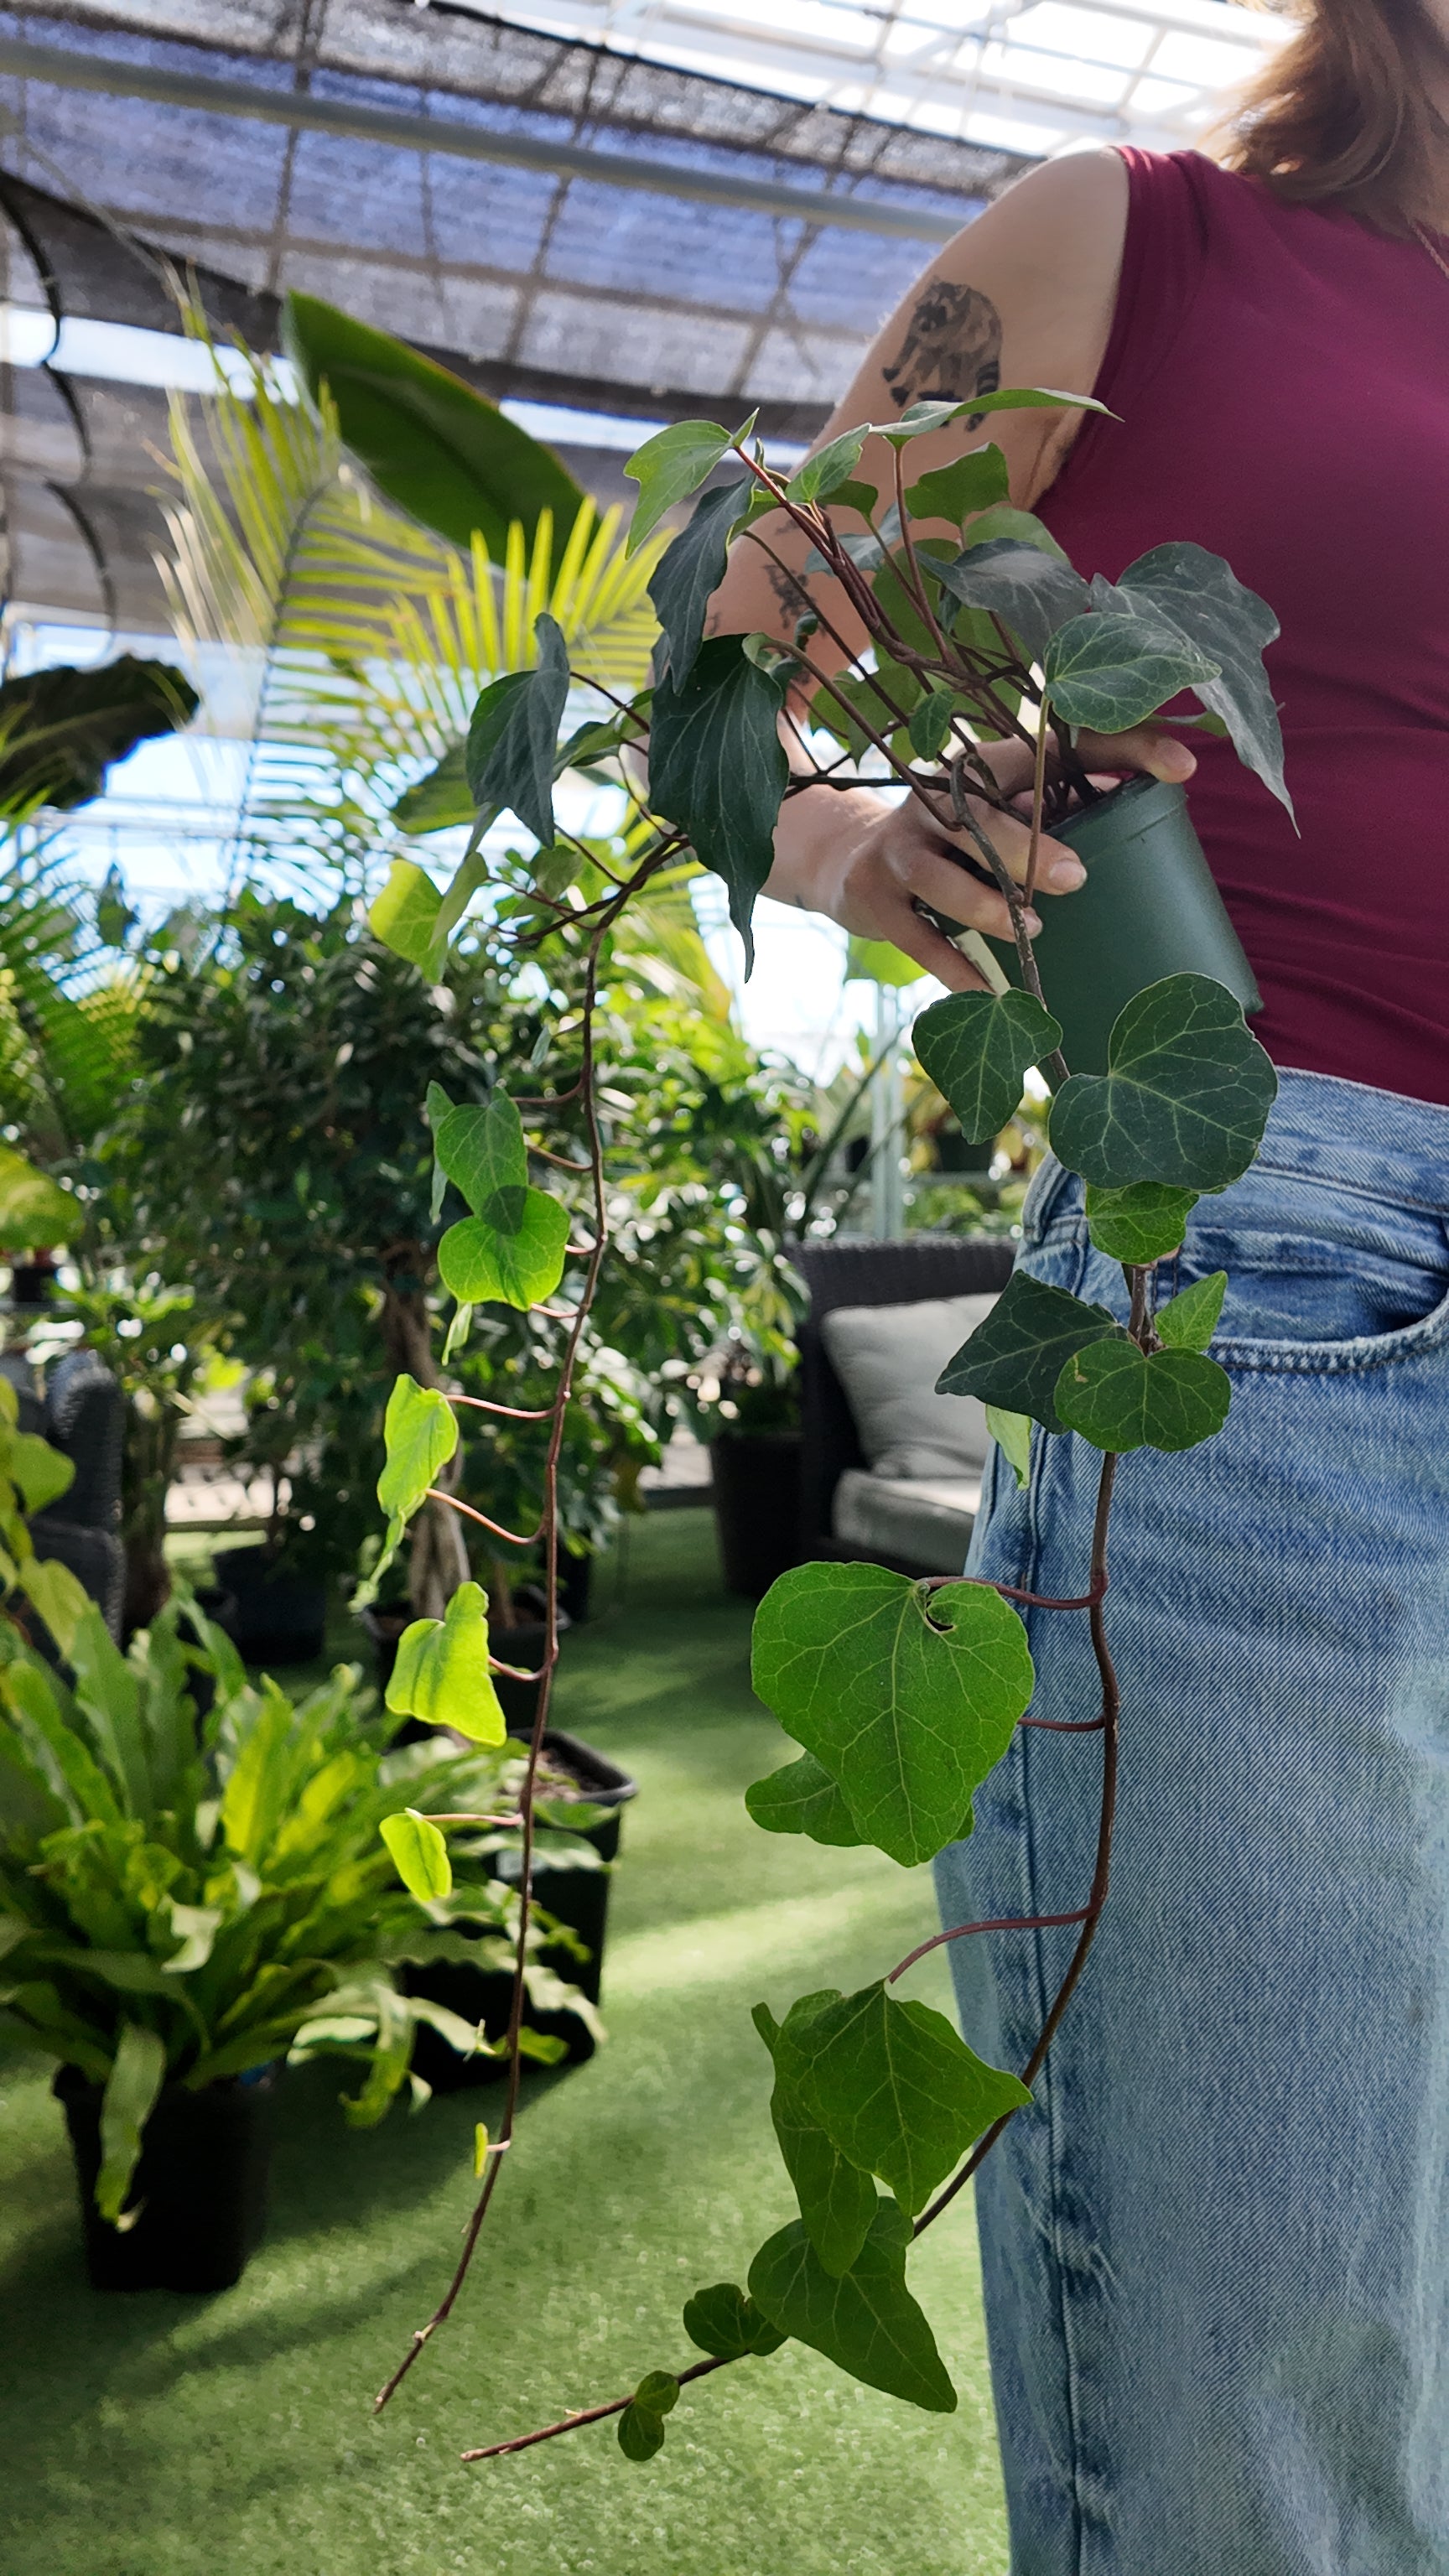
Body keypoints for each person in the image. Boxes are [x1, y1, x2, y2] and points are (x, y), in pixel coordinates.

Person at [708, 9, 1449, 2568]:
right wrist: (856, 857)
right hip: (1283, 1294)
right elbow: (723, 678)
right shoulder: (1147, 242)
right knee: (1271, 2416)